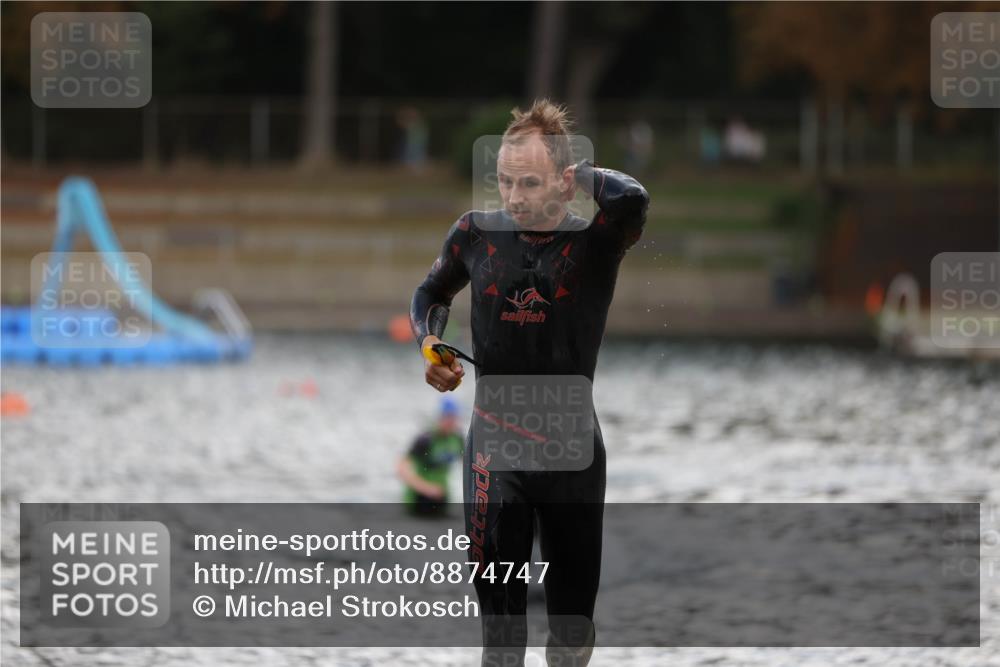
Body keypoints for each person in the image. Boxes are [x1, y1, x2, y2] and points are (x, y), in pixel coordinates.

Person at [410, 99, 648, 667]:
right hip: (495, 448)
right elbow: (430, 295)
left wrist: (579, 172)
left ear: (566, 184)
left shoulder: (597, 241)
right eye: (505, 181)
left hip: (572, 452)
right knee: (501, 640)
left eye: (530, 182)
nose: (514, 196)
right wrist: (430, 344)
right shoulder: (475, 234)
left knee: (569, 637)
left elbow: (632, 197)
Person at [396, 396, 464, 517]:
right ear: (439, 417)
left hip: (442, 497)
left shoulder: (457, 439)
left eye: (454, 418)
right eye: (447, 417)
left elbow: (470, 466)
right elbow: (402, 469)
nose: (451, 422)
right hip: (419, 499)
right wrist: (427, 488)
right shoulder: (425, 439)